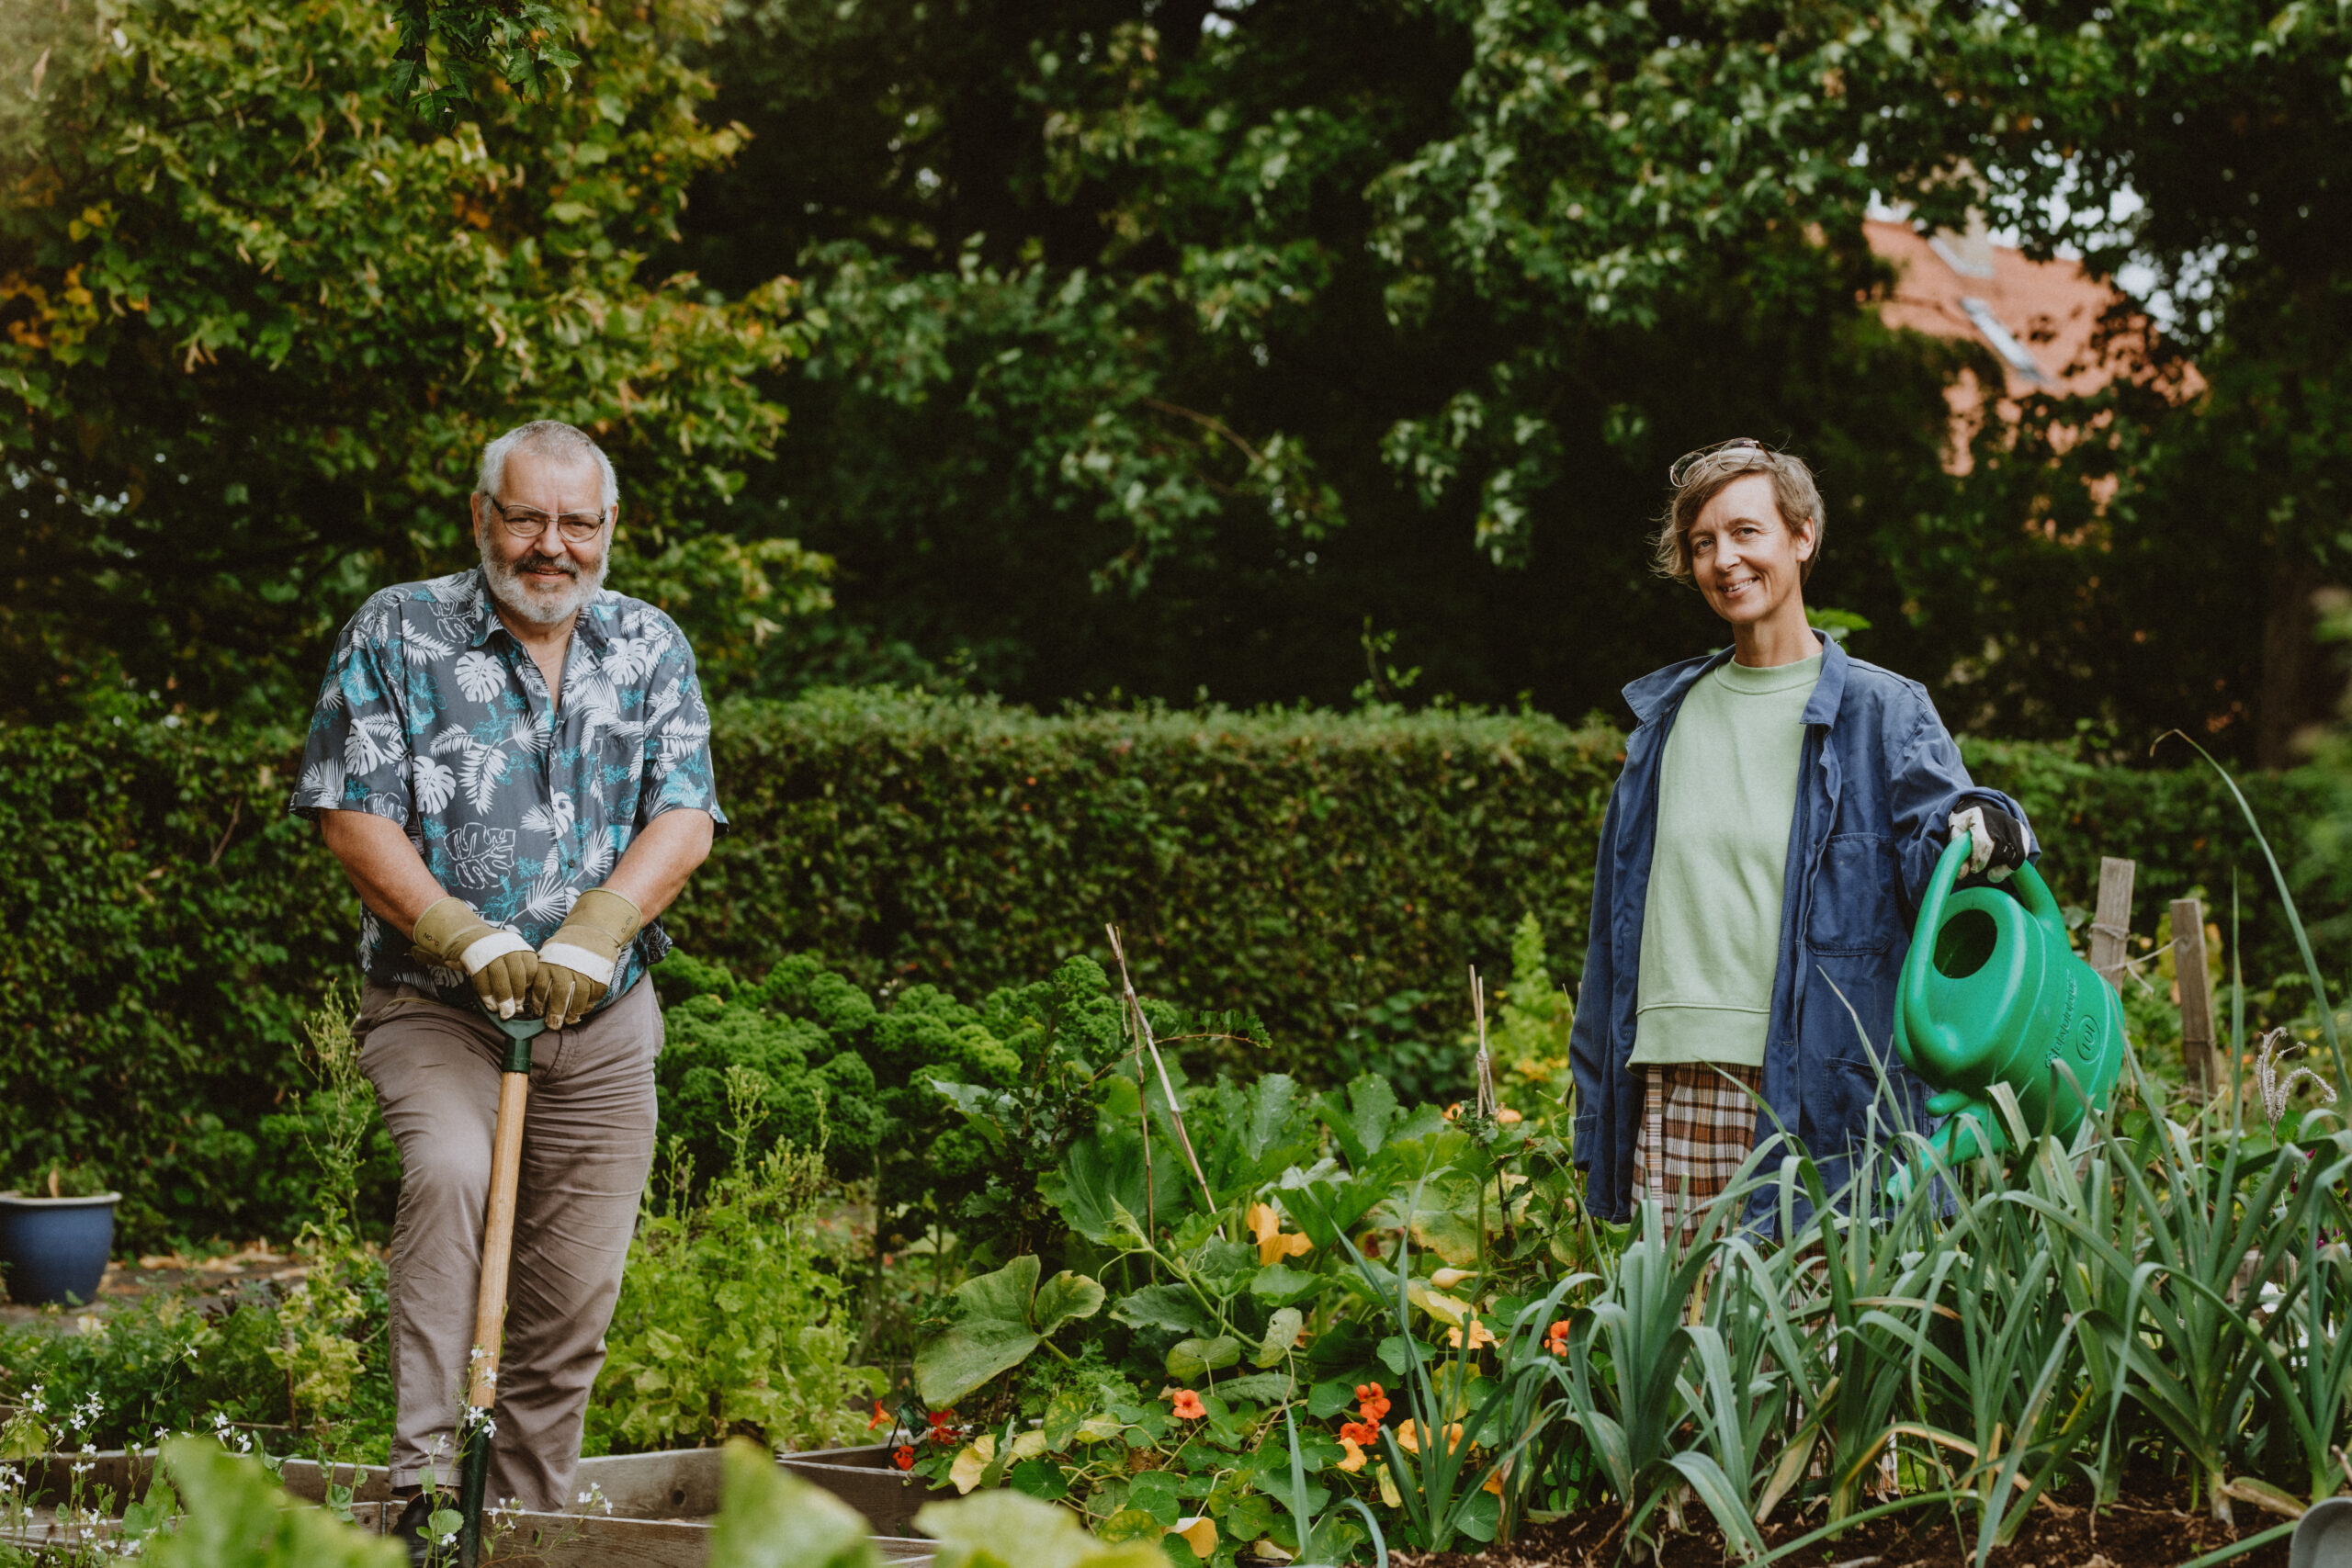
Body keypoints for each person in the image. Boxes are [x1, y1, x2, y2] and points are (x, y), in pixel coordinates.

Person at [290, 420, 722, 1558]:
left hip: (603, 1018)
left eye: (577, 523)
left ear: (607, 529)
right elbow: (352, 814)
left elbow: (685, 813)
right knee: (449, 1174)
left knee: (572, 1300)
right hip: (441, 1011)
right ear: (481, 516)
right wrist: (461, 932)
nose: (551, 546)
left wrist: (602, 924)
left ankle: (521, 1535)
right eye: (526, 517)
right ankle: (429, 1503)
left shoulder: (648, 644)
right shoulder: (398, 631)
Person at [1566, 439, 2033, 1235]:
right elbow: (1612, 934)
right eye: (1704, 543)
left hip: (1821, 1098)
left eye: (1747, 532)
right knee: (1685, 1349)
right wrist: (1597, 1102)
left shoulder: (1883, 713)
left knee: (1807, 1350)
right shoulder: (1664, 723)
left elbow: (1951, 837)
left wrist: (1996, 822)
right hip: (1675, 1085)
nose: (1725, 560)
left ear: (1802, 536)